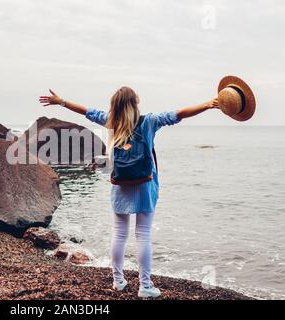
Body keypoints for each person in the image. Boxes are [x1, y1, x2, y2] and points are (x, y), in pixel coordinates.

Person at [39, 87, 219, 298]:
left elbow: (86, 111)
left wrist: (61, 102)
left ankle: (118, 281)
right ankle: (145, 286)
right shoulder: (149, 122)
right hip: (144, 185)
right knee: (143, 235)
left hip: (120, 185)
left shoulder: (110, 120)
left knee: (119, 233)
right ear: (136, 102)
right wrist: (207, 105)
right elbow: (178, 114)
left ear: (115, 105)